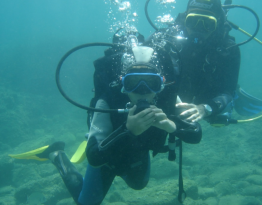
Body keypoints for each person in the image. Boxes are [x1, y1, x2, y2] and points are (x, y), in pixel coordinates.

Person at [10, 45, 202, 205]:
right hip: (106, 157)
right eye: (133, 83)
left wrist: (171, 126)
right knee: (86, 203)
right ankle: (56, 154)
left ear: (161, 85)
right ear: (123, 86)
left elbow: (196, 133)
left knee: (139, 184)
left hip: (136, 153)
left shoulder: (168, 100)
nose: (142, 90)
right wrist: (128, 130)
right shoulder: (107, 101)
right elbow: (94, 156)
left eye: (151, 83)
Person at [145, 0, 241, 124]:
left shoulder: (228, 49)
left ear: (218, 23)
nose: (199, 30)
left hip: (205, 97)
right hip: (171, 95)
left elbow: (227, 90)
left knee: (218, 118)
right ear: (185, 20)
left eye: (208, 24)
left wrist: (206, 108)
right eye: (192, 21)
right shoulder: (167, 39)